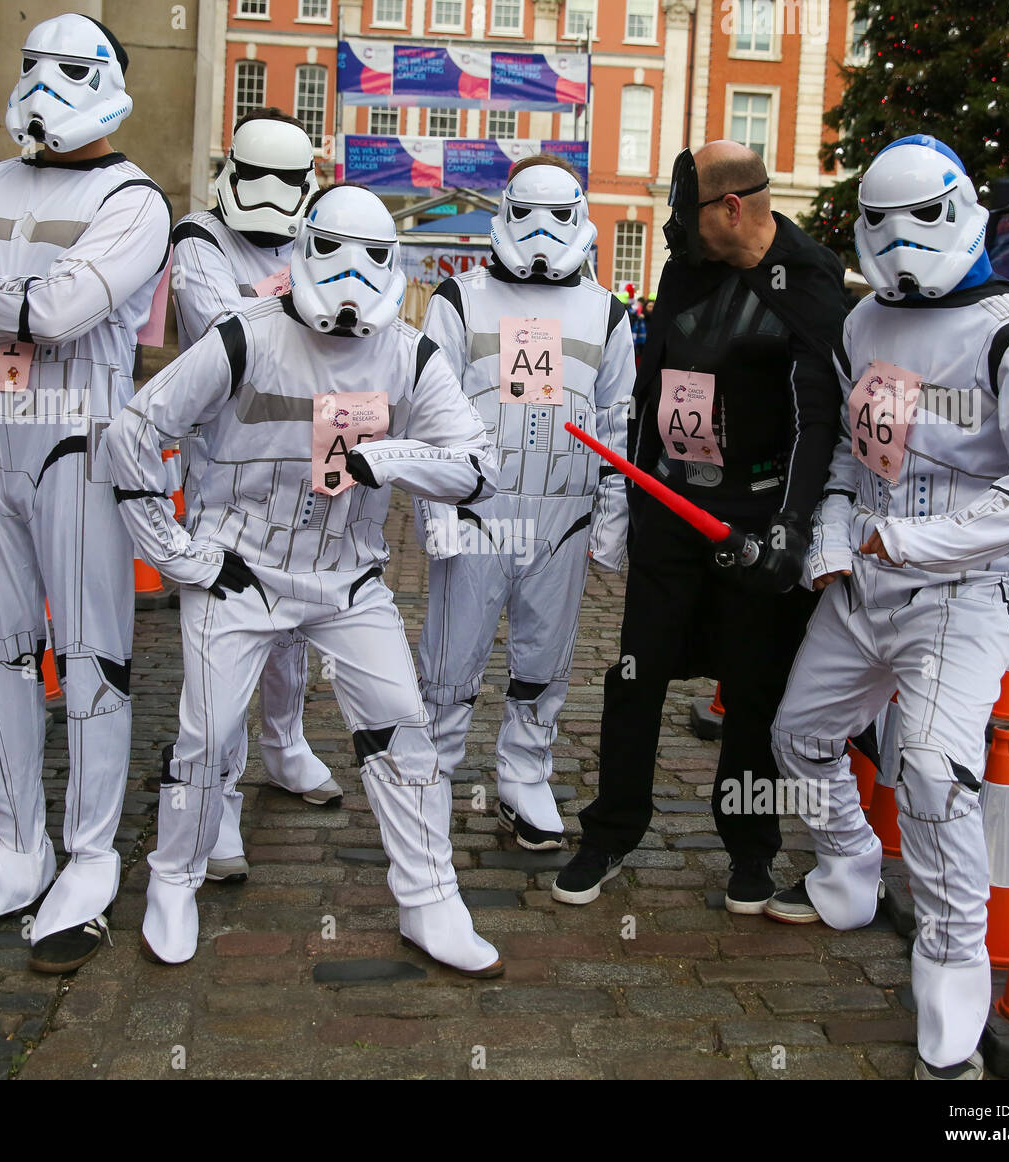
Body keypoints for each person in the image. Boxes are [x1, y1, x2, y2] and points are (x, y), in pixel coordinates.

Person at [104, 183, 505, 976]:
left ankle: (430, 898)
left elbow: (477, 467)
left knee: (402, 729)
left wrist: (388, 458)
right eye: (334, 252)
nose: (353, 274)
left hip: (346, 575)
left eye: (373, 257)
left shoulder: (409, 352)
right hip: (239, 567)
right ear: (303, 248)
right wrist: (177, 551)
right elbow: (135, 430)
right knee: (208, 735)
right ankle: (173, 879)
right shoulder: (243, 337)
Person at [767, 136, 1009, 1080]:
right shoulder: (864, 327)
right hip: (867, 579)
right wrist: (832, 532)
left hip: (961, 592)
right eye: (882, 224)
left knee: (934, 774)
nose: (900, 244)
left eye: (921, 221)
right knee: (800, 736)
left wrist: (927, 541)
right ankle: (846, 864)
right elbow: (848, 454)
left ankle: (950, 980)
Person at [0, 13, 171, 974]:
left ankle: (90, 854)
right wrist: (10, 307)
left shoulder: (136, 199)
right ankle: (20, 847)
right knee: (2, 649)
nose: (43, 85)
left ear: (105, 77)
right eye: (31, 66)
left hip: (79, 441)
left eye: (68, 68)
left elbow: (60, 313)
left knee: (92, 654)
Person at [553, 141, 850, 907]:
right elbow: (652, 386)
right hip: (672, 509)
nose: (673, 230)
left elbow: (821, 418)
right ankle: (610, 831)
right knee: (635, 675)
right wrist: (633, 497)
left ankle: (750, 850)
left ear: (731, 209)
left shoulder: (810, 278)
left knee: (753, 689)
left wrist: (792, 525)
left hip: (755, 516)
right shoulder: (685, 268)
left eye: (688, 213)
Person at [416, 155, 632, 852]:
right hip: (480, 507)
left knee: (544, 657)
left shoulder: (607, 314)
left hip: (561, 513)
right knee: (451, 661)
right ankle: (432, 774)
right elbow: (427, 409)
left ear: (579, 218)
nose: (542, 231)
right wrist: (435, 509)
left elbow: (618, 420)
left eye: (558, 215)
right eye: (528, 212)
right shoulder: (459, 299)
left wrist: (613, 516)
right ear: (505, 212)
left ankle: (525, 772)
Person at [169, 106, 340, 884]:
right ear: (230, 171)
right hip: (226, 469)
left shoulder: (316, 232)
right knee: (228, 633)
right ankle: (221, 798)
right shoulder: (199, 239)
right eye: (257, 177)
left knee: (294, 628)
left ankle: (286, 744)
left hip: (306, 459)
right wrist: (299, 309)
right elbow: (224, 340)